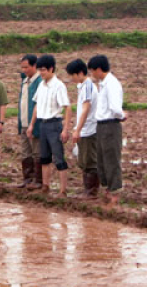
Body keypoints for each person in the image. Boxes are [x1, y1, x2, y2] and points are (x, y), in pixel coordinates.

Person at [27, 55, 72, 198]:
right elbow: (36, 106)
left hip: (54, 124)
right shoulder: (41, 85)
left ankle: (63, 191)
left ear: (51, 69)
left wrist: (65, 129)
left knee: (58, 158)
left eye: (44, 70)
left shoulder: (59, 86)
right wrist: (31, 125)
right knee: (44, 157)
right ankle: (45, 187)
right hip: (43, 124)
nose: (41, 73)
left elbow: (67, 107)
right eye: (39, 70)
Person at [87, 55, 126, 205]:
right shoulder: (103, 84)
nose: (92, 75)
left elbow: (115, 108)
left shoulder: (112, 84)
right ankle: (107, 191)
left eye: (92, 71)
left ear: (98, 69)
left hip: (111, 125)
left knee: (111, 159)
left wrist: (122, 115)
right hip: (102, 125)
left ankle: (115, 195)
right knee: (102, 160)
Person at [66, 59, 99, 199]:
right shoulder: (83, 86)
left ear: (80, 73)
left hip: (89, 129)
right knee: (84, 160)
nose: (71, 78)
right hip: (84, 129)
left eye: (72, 75)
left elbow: (86, 109)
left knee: (90, 161)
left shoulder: (88, 87)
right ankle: (88, 190)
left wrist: (77, 129)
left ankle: (91, 192)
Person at [17, 54, 43, 189]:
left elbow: (38, 105)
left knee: (36, 152)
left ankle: (38, 180)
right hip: (24, 122)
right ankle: (28, 178)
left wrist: (33, 124)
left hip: (35, 124)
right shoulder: (25, 81)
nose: (24, 70)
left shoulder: (39, 82)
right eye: (22, 67)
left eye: (26, 67)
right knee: (25, 152)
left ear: (34, 66)